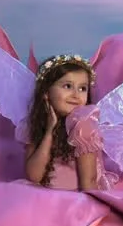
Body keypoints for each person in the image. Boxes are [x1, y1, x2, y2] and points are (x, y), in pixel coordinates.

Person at [23, 54, 100, 191]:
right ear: (46, 92)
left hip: (74, 201)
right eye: (67, 86)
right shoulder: (36, 124)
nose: (76, 94)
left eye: (83, 88)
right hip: (43, 197)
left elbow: (89, 183)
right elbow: (34, 176)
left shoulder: (83, 128)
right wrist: (49, 133)